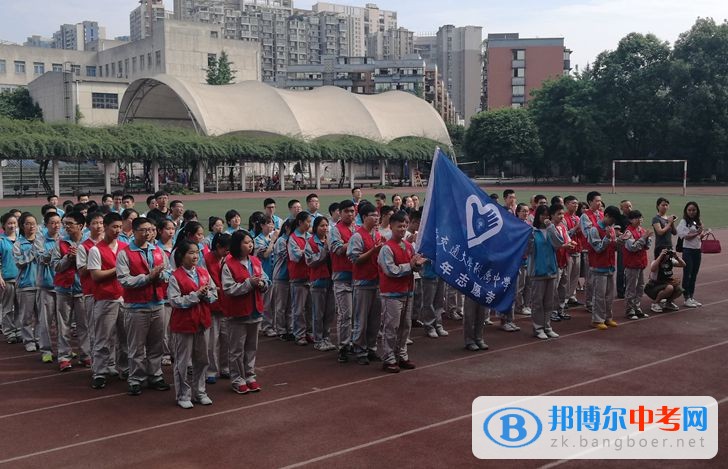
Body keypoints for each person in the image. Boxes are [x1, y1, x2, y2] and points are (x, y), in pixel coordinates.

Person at [116, 217, 171, 396]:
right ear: (134, 230)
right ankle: (136, 378)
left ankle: (155, 375)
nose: (148, 233)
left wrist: (161, 276)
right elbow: (124, 280)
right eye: (143, 230)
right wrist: (147, 277)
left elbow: (168, 272)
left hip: (158, 303)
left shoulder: (158, 251)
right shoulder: (125, 253)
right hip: (136, 306)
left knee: (156, 344)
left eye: (150, 230)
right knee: (136, 346)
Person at [168, 240, 217, 409]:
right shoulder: (175, 276)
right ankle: (183, 394)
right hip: (184, 323)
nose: (195, 256)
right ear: (181, 256)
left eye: (197, 252)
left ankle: (200, 392)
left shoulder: (203, 273)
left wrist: (207, 296)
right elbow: (174, 301)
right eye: (191, 253)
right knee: (182, 361)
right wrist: (195, 296)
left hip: (202, 321)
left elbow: (214, 293)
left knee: (202, 359)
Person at [221, 230, 270, 394]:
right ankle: (237, 378)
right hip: (238, 313)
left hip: (255, 310)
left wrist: (262, 284)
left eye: (251, 242)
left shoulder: (255, 261)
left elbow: (265, 278)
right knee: (236, 349)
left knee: (251, 347)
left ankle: (249, 375)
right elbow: (228, 289)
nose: (250, 245)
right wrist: (249, 283)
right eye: (246, 242)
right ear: (237, 245)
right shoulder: (229, 264)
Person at [377, 211, 424, 373]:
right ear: (391, 227)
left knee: (405, 326)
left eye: (404, 226)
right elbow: (391, 271)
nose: (402, 229)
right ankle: (389, 358)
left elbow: (414, 266)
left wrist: (418, 264)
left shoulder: (408, 246)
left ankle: (401, 354)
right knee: (392, 327)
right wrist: (410, 266)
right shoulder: (386, 249)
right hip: (391, 294)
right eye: (399, 226)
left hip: (407, 291)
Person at [87, 212, 128, 390]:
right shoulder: (96, 250)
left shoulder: (125, 247)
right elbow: (96, 275)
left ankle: (125, 368)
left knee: (125, 339)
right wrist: (117, 269)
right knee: (103, 339)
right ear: (106, 227)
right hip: (105, 299)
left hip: (124, 298)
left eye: (120, 227)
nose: (118, 230)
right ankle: (100, 372)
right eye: (114, 227)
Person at [347, 202, 383, 365]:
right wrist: (373, 251)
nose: (376, 218)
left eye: (377, 215)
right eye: (373, 216)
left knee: (375, 319)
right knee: (361, 319)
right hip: (362, 283)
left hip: (376, 282)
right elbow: (355, 259)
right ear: (364, 217)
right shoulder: (357, 236)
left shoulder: (377, 234)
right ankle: (360, 350)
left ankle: (371, 348)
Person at [53, 211, 89, 369]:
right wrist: (67, 257)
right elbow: (56, 266)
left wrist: (80, 257)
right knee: (64, 325)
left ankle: (86, 355)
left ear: (81, 226)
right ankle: (64, 357)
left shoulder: (88, 243)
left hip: (82, 289)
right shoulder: (60, 243)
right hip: (63, 289)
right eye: (64, 223)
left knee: (84, 325)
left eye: (70, 224)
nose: (66, 227)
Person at [528, 205, 566, 340]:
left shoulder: (552, 229)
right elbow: (528, 250)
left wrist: (551, 228)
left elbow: (559, 243)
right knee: (538, 302)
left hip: (551, 271)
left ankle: (547, 326)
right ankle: (538, 328)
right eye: (542, 215)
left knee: (549, 302)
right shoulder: (532, 232)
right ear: (538, 216)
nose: (545, 218)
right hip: (537, 272)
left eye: (547, 215)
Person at [586, 205, 623, 330]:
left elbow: (612, 247)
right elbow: (598, 248)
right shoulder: (594, 230)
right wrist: (607, 238)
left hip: (610, 266)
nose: (613, 223)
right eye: (612, 219)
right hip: (598, 267)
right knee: (599, 295)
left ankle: (608, 317)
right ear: (606, 215)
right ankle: (597, 319)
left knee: (609, 295)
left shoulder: (611, 229)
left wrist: (619, 241)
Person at [328, 200, 356, 362]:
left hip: (357, 277)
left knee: (356, 314)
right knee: (345, 314)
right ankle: (344, 346)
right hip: (342, 278)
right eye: (346, 211)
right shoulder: (335, 230)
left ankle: (354, 342)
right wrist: (355, 242)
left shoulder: (357, 229)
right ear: (340, 212)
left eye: (352, 211)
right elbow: (337, 249)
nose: (350, 214)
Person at [203, 233, 232, 383]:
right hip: (213, 305)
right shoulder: (206, 259)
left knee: (226, 338)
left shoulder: (229, 258)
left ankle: (225, 367)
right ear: (218, 247)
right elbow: (204, 278)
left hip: (227, 305)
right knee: (212, 340)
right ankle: (211, 371)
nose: (228, 252)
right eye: (225, 249)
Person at [305, 216, 336, 351]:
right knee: (318, 313)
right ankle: (318, 339)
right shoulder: (311, 242)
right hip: (318, 280)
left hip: (331, 279)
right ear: (315, 227)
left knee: (329, 312)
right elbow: (311, 261)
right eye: (322, 225)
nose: (325, 228)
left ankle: (326, 337)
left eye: (326, 225)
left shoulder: (330, 241)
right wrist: (325, 250)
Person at [35, 212, 62, 365]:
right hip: (46, 285)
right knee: (46, 321)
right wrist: (57, 249)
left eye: (58, 222)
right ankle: (46, 350)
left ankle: (62, 348)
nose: (56, 225)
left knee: (62, 321)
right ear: (46, 224)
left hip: (62, 286)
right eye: (52, 222)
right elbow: (41, 258)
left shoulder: (64, 238)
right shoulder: (40, 240)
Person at [13, 213, 40, 353]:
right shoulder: (18, 244)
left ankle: (40, 339)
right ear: (22, 226)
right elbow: (19, 262)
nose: (31, 226)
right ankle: (29, 340)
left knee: (42, 316)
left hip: (42, 285)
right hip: (26, 285)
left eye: (34, 223)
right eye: (28, 223)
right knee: (26, 316)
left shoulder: (41, 241)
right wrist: (34, 251)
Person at [622, 210, 652, 320]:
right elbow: (632, 247)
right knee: (631, 288)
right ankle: (629, 309)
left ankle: (637, 307)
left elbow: (647, 246)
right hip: (631, 264)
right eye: (636, 218)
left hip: (640, 263)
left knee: (640, 287)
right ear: (630, 220)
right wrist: (644, 238)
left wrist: (647, 238)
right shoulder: (628, 232)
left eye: (640, 217)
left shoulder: (642, 230)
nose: (639, 220)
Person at [677, 202, 707, 308]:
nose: (691, 212)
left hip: (697, 250)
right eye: (689, 210)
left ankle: (691, 296)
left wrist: (702, 235)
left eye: (693, 210)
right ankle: (686, 298)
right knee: (688, 274)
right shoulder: (683, 221)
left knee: (694, 274)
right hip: (688, 250)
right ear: (686, 211)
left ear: (697, 211)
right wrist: (697, 233)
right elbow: (685, 236)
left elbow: (697, 237)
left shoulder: (698, 221)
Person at [287, 212, 311, 345]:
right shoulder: (293, 238)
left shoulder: (309, 236)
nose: (309, 224)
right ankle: (299, 334)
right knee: (299, 309)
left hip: (309, 276)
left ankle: (308, 332)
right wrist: (308, 251)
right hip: (298, 277)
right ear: (300, 222)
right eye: (307, 222)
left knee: (309, 308)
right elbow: (295, 257)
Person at [254, 215, 278, 337]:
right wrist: (273, 241)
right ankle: (266, 326)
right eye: (268, 223)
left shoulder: (272, 238)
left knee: (274, 302)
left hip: (275, 274)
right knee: (266, 302)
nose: (271, 226)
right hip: (265, 274)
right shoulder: (258, 240)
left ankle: (271, 325)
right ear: (262, 225)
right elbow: (266, 255)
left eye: (272, 223)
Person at [645, 248, 686, 313]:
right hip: (653, 286)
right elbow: (653, 269)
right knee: (670, 287)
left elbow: (683, 265)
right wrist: (661, 256)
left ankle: (668, 303)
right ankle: (655, 303)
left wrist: (676, 256)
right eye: (665, 254)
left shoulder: (670, 261)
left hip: (665, 284)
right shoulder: (656, 261)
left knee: (679, 290)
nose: (666, 255)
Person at [0, 213, 20, 343]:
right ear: (4, 225)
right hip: (7, 279)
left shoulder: (21, 238)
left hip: (22, 279)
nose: (12, 225)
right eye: (9, 223)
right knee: (7, 307)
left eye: (14, 223)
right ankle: (9, 332)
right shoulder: (1, 241)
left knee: (21, 307)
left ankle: (19, 330)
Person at [513, 203, 531, 317]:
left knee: (528, 285)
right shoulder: (514, 226)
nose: (525, 213)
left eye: (527, 211)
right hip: (519, 260)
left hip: (528, 259)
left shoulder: (529, 225)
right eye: (523, 211)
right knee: (520, 285)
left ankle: (526, 305)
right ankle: (519, 306)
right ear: (518, 212)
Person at [615, 200, 633, 298]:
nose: (629, 208)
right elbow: (617, 232)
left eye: (630, 206)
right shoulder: (619, 219)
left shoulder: (634, 218)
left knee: (631, 269)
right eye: (626, 207)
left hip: (632, 247)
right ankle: (620, 291)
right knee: (621, 269)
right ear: (621, 208)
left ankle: (629, 288)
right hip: (622, 246)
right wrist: (628, 236)